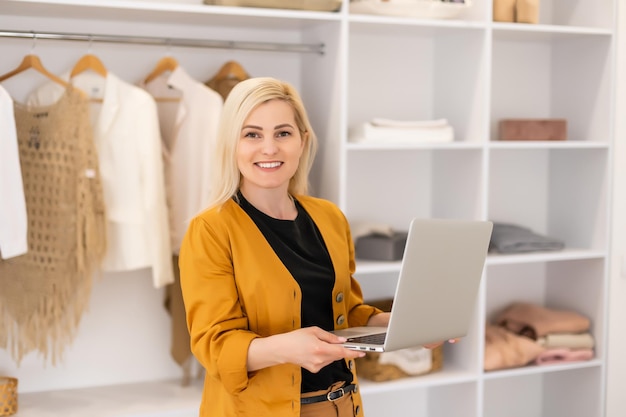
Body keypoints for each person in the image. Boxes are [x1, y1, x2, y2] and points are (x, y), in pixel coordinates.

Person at [178, 77, 444, 417]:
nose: (269, 148)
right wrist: (285, 348)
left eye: (283, 133)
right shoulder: (211, 230)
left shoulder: (329, 217)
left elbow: (347, 312)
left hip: (342, 405)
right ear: (231, 144)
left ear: (302, 141)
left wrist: (396, 324)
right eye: (252, 134)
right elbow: (214, 346)